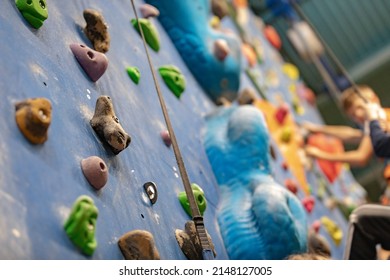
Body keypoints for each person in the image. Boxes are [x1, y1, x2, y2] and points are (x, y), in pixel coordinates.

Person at [304, 85, 388, 167]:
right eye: (353, 115)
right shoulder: (375, 120)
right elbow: (354, 135)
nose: (358, 115)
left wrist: (321, 155)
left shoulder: (379, 120)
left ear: (374, 100)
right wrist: (316, 129)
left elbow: (361, 157)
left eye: (360, 107)